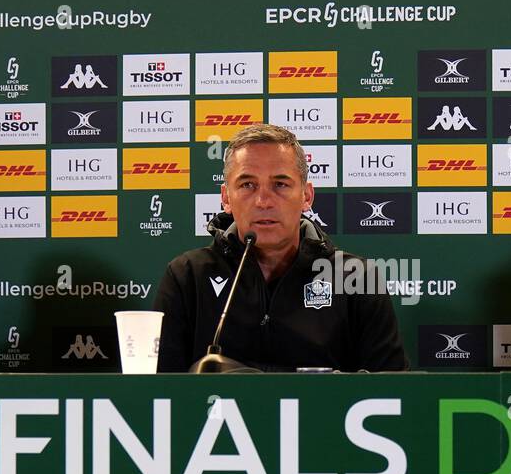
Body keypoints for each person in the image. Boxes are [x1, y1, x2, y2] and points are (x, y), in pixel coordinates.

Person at [153, 123, 407, 372]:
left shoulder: (355, 277)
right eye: (247, 185)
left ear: (307, 196)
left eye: (280, 184)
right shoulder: (187, 276)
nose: (264, 201)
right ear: (226, 198)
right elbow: (157, 396)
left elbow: (394, 395)